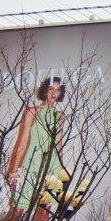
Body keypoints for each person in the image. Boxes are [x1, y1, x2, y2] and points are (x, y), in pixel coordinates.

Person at [5, 77, 66, 211]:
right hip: (31, 165)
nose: (54, 93)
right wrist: (14, 170)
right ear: (45, 91)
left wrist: (62, 173)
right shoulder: (32, 112)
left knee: (44, 212)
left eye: (58, 89)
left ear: (61, 93)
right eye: (51, 89)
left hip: (52, 167)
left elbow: (59, 145)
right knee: (18, 210)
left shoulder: (61, 116)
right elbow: (22, 142)